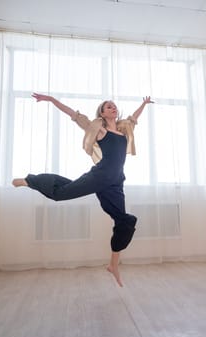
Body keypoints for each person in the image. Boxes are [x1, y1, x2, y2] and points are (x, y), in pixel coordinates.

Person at [12, 93, 154, 286]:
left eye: (114, 105)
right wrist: (52, 100)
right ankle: (30, 181)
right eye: (108, 106)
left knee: (123, 220)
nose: (113, 107)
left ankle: (113, 265)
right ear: (102, 113)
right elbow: (74, 115)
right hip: (100, 177)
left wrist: (143, 104)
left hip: (116, 182)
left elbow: (133, 118)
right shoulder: (100, 130)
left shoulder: (123, 129)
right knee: (61, 194)